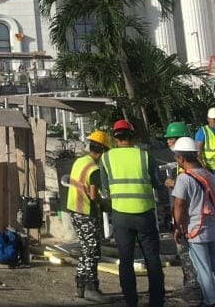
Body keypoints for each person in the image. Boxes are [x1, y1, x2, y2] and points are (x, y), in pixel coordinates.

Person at [99, 118, 167, 307]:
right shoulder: (145, 156)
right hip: (145, 214)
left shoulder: (106, 158)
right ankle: (156, 300)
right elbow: (158, 184)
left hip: (121, 216)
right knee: (152, 258)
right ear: (133, 136)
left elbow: (104, 190)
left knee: (126, 260)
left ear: (115, 137)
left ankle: (131, 301)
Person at [171, 136, 215, 307]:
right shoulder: (210, 175)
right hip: (211, 227)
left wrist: (178, 226)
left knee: (203, 269)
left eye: (176, 157)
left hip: (195, 230)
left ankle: (210, 300)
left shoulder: (184, 178)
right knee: (212, 266)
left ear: (181, 158)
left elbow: (179, 204)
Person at [67, 130, 110, 301]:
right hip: (86, 212)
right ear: (102, 151)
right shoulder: (94, 169)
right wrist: (106, 205)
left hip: (74, 210)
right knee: (92, 251)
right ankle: (91, 287)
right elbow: (93, 195)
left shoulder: (80, 161)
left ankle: (81, 284)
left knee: (86, 249)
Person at [164, 122, 200, 302]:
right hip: (191, 217)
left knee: (187, 252)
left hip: (188, 218)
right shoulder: (182, 163)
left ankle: (193, 287)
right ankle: (191, 283)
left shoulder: (187, 165)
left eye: (172, 139)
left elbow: (184, 195)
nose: (169, 142)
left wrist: (173, 184)